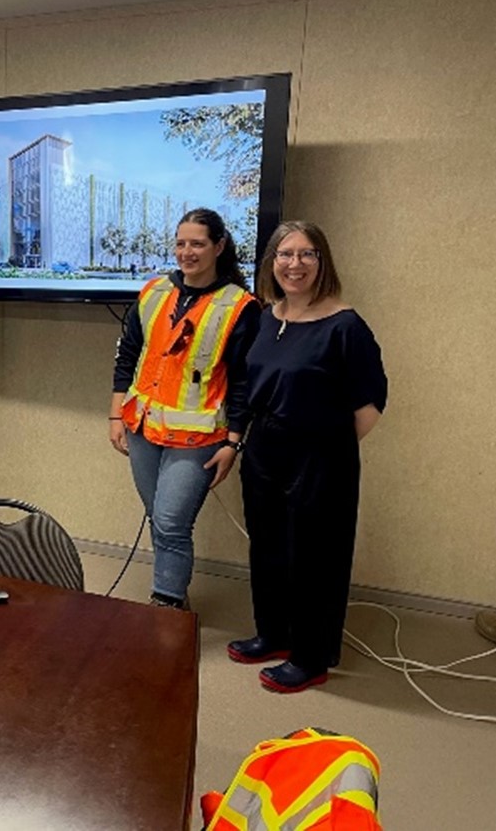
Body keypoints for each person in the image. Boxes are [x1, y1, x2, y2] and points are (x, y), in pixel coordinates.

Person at [228, 220, 386, 693]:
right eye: (285, 254)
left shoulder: (346, 326)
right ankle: (274, 635)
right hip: (263, 448)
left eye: (307, 254)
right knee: (268, 545)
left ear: (323, 262)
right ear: (271, 262)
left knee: (316, 558)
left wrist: (324, 446)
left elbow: (371, 403)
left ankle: (311, 656)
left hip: (319, 455)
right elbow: (244, 381)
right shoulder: (263, 317)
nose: (295, 264)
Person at [110, 208, 259, 608]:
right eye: (180, 243)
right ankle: (171, 592)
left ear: (219, 246)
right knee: (159, 519)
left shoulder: (240, 306)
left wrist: (233, 443)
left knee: (173, 523)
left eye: (197, 243)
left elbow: (244, 382)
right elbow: (127, 358)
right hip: (143, 427)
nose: (186, 252)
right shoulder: (154, 292)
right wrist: (115, 415)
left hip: (198, 438)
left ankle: (167, 603)